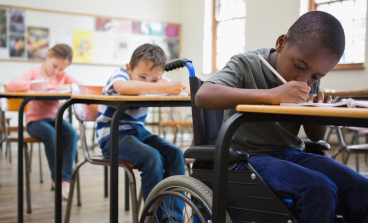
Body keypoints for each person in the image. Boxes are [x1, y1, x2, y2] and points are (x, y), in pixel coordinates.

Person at [195, 11, 368, 223]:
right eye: (299, 66)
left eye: (316, 76)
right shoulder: (247, 64)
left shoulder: (309, 81)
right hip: (248, 157)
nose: (303, 79)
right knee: (318, 189)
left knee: (361, 189)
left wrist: (318, 111)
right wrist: (271, 95)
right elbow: (204, 96)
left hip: (293, 153)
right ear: (281, 43)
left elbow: (315, 136)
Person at [95, 43, 188, 223]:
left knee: (176, 154)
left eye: (154, 80)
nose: (147, 83)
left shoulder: (159, 82)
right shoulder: (120, 74)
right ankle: (153, 219)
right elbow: (124, 87)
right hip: (113, 136)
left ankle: (173, 218)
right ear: (129, 68)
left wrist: (182, 88)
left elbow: (182, 91)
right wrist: (161, 87)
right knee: (152, 157)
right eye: (142, 76)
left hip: (139, 132)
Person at [7, 44, 79, 200]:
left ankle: (65, 180)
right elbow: (12, 85)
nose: (57, 72)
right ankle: (57, 179)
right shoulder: (34, 72)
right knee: (51, 135)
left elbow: (79, 86)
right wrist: (34, 86)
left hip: (55, 119)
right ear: (47, 56)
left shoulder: (62, 76)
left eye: (62, 69)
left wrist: (61, 86)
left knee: (72, 134)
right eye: (55, 66)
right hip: (35, 121)